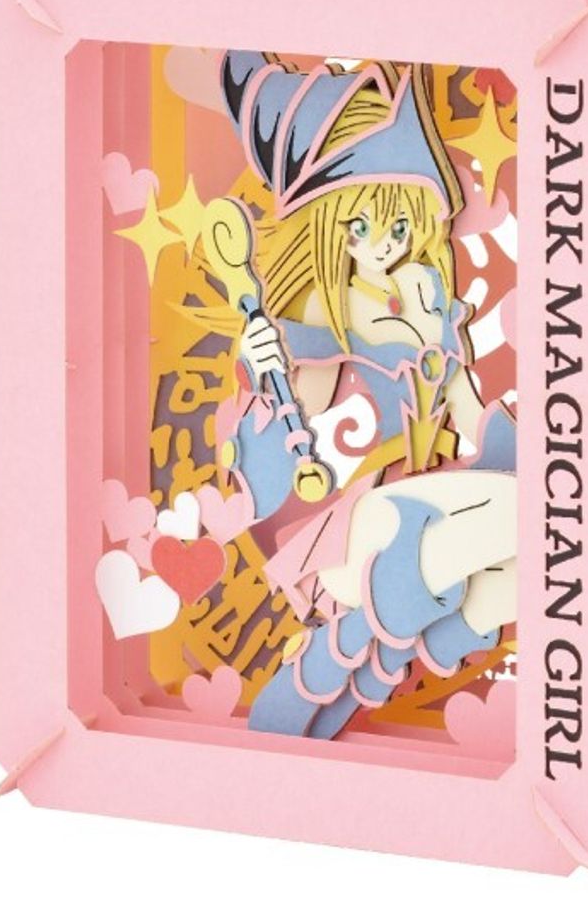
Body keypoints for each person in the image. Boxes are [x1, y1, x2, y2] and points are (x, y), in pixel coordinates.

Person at [218, 50, 517, 738]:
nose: (382, 245)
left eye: (398, 227)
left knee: (529, 564)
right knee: (532, 517)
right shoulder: (320, 315)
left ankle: (358, 656)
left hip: (419, 504)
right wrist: (265, 362)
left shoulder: (426, 309)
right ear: (332, 230)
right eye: (361, 228)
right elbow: (295, 415)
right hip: (347, 528)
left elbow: (472, 416)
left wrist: (523, 444)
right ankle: (346, 645)